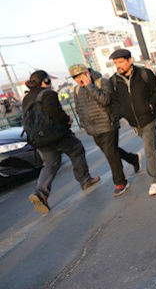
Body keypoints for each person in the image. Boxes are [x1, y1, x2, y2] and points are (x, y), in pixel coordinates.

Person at [22, 70, 100, 214]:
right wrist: (67, 120)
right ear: (44, 81)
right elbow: (55, 113)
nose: (51, 85)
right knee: (77, 149)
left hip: (38, 139)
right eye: (49, 81)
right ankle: (85, 179)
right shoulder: (48, 94)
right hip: (56, 135)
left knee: (50, 164)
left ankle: (41, 193)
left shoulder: (26, 98)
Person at [109, 49, 156, 196]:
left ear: (130, 60)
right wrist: (123, 113)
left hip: (150, 117)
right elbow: (114, 102)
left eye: (120, 62)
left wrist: (151, 106)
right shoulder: (114, 81)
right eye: (115, 63)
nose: (118, 65)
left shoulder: (144, 73)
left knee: (148, 148)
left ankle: (155, 181)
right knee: (152, 143)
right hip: (133, 121)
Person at [70, 64, 141, 197]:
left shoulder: (102, 82)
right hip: (93, 128)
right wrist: (84, 125)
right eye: (75, 77)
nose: (78, 79)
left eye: (80, 75)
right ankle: (133, 158)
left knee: (111, 154)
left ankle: (120, 182)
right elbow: (79, 109)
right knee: (111, 152)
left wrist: (90, 86)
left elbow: (105, 100)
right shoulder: (76, 90)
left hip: (108, 124)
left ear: (88, 72)